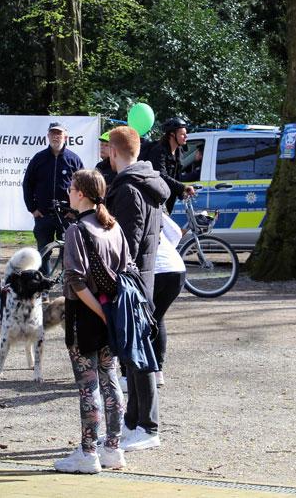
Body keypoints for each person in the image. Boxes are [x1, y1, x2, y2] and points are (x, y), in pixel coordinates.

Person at [53, 169, 127, 475]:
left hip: (84, 314)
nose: (69, 192)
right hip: (112, 312)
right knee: (110, 380)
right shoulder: (113, 227)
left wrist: (98, 312)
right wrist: (109, 314)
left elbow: (77, 280)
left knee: (88, 386)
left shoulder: (76, 231)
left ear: (81, 193)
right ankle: (113, 447)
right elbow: (126, 269)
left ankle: (88, 453)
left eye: (71, 188)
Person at [105, 126, 169, 452]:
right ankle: (133, 423)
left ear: (114, 152)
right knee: (133, 356)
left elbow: (125, 245)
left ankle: (148, 426)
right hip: (140, 280)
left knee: (140, 357)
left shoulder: (130, 190)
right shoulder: (145, 184)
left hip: (131, 283)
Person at [22, 122, 84, 252]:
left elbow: (82, 187)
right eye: (53, 133)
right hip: (43, 215)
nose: (56, 136)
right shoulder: (38, 159)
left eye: (59, 134)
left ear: (65, 137)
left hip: (67, 215)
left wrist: (74, 211)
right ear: (48, 136)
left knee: (69, 253)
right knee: (43, 253)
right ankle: (44, 273)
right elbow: (27, 184)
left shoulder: (74, 159)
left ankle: (67, 274)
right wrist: (33, 209)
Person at [151, 213, 185, 386]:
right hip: (176, 267)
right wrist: (166, 250)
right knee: (157, 318)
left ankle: (133, 374)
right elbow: (177, 233)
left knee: (140, 320)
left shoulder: (125, 200)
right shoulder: (156, 205)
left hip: (154, 270)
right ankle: (157, 372)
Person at [140, 117, 197, 214]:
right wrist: (183, 187)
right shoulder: (159, 151)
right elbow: (160, 176)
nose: (186, 136)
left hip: (169, 198)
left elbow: (176, 176)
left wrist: (181, 192)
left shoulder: (178, 151)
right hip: (155, 199)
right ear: (172, 134)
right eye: (182, 134)